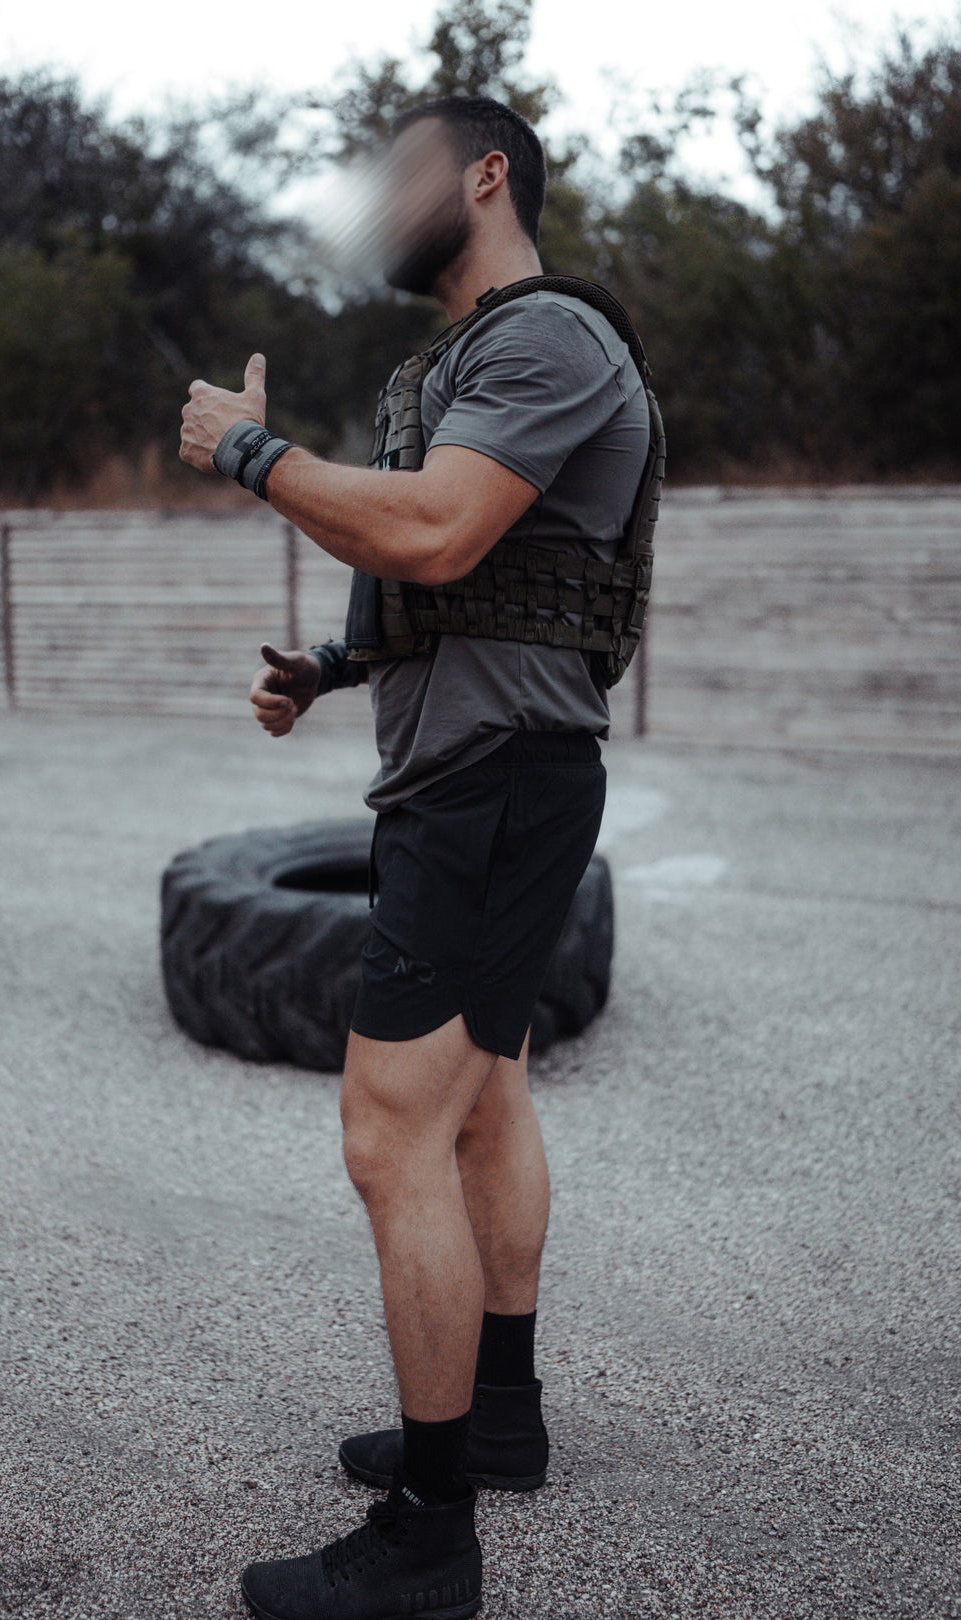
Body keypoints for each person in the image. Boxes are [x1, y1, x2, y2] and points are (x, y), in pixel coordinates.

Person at [179, 92, 651, 1620]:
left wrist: (252, 451)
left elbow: (438, 532)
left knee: (390, 1137)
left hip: (493, 792)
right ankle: (496, 1421)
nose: (383, 201)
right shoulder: (456, 362)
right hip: (476, 779)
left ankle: (431, 1539)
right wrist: (327, 670)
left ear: (487, 175)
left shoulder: (547, 339)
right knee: (484, 1094)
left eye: (405, 174)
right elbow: (457, 589)